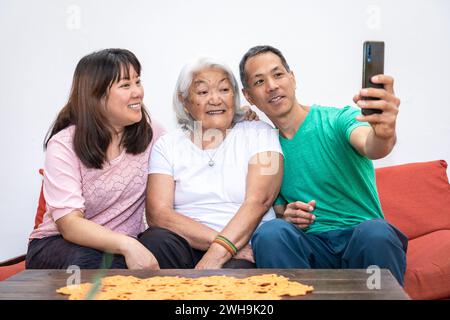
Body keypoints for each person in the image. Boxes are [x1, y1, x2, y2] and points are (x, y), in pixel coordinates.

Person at [239, 45, 408, 285]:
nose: (272, 86)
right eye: (259, 82)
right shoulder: (266, 149)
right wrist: (288, 216)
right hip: (312, 250)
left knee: (376, 232)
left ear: (292, 78)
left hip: (361, 242)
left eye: (278, 75)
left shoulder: (337, 119)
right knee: (270, 233)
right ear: (249, 96)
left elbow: (373, 145)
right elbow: (278, 213)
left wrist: (384, 132)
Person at [26, 49, 166, 270]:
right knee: (94, 263)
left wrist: (240, 116)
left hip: (120, 248)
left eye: (138, 82)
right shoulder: (64, 144)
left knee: (165, 245)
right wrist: (127, 245)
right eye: (125, 85)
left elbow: (191, 153)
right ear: (96, 95)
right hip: (59, 244)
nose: (138, 92)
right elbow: (69, 224)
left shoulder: (152, 133)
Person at [141, 58, 284, 269]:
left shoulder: (261, 134)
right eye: (202, 92)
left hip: (245, 246)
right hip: (191, 244)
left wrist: (221, 251)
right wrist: (220, 244)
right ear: (184, 101)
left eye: (224, 89)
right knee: (155, 241)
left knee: (235, 275)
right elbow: (158, 214)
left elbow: (260, 200)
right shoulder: (167, 145)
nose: (216, 99)